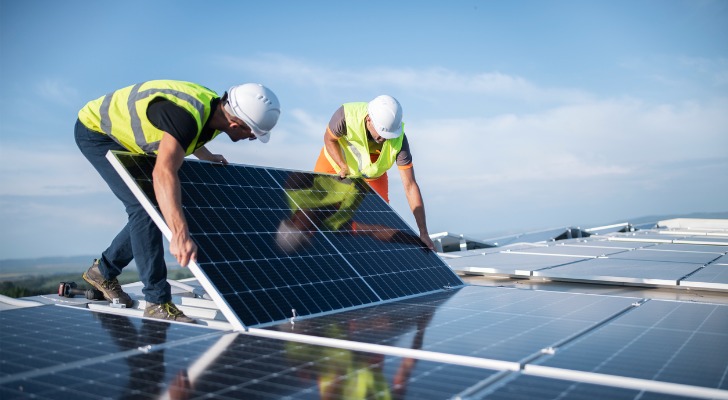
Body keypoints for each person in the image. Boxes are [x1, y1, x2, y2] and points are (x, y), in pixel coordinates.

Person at [75, 79, 280, 323]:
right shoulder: (186, 116)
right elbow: (163, 171)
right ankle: (157, 302)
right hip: (98, 132)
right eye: (253, 133)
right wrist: (180, 235)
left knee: (161, 205)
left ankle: (103, 272)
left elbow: (186, 135)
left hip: (129, 138)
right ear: (236, 123)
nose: (253, 138)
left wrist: (206, 155)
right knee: (144, 208)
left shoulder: (217, 110)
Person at [313, 95, 435, 250]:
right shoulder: (346, 115)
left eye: (388, 135)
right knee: (319, 213)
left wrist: (423, 232)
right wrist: (342, 165)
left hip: (372, 174)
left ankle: (362, 257)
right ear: (369, 120)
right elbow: (329, 139)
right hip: (335, 166)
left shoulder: (399, 140)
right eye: (381, 133)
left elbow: (410, 186)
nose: (384, 139)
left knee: (379, 219)